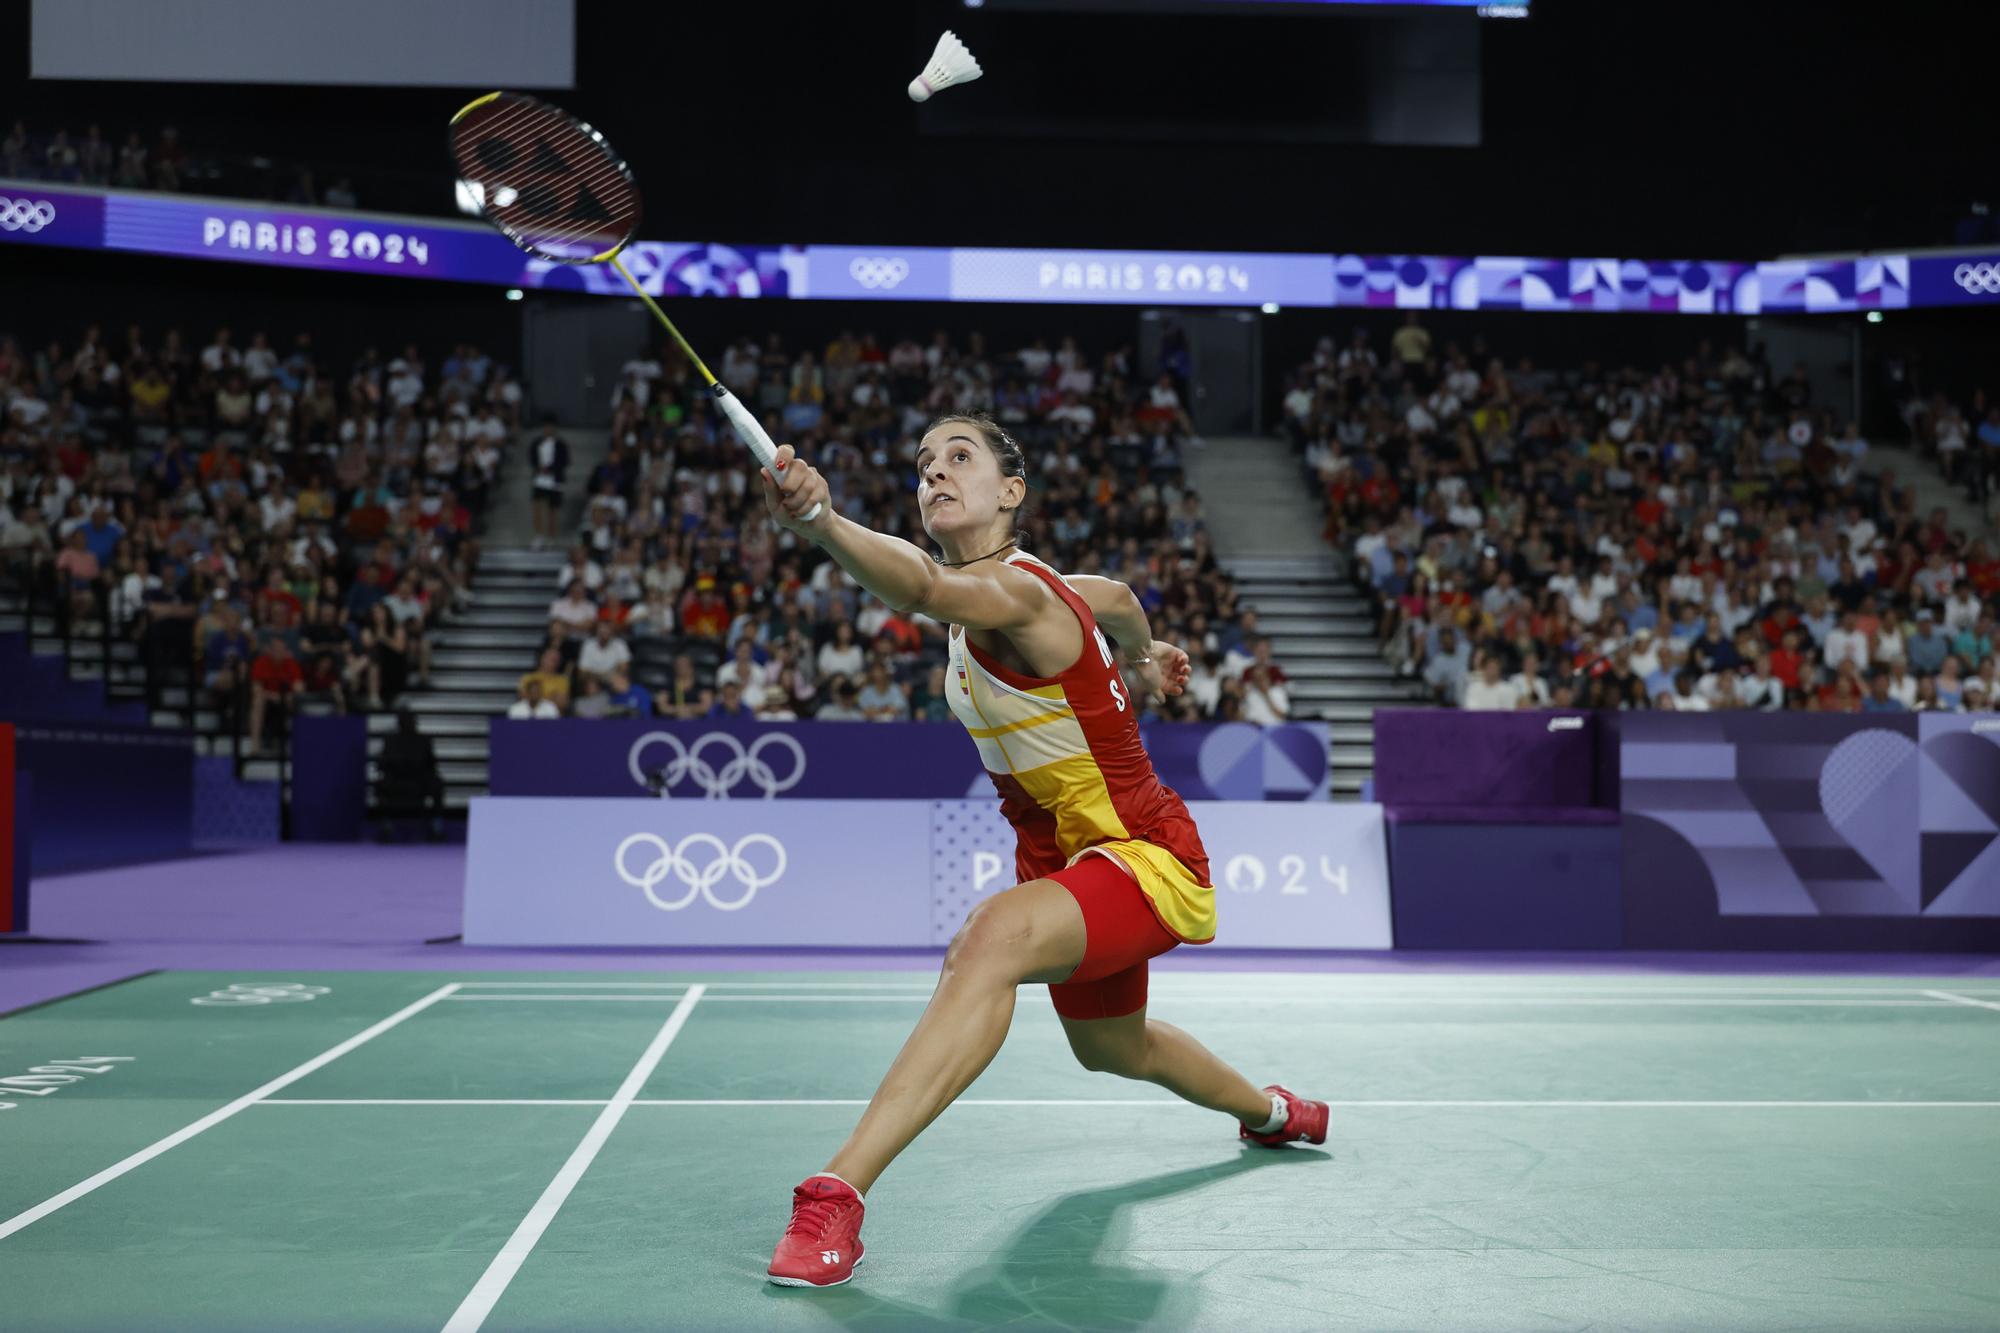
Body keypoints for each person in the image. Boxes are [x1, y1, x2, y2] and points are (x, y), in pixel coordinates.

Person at [757, 413, 1327, 1289]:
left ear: (1010, 492)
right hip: (1066, 866)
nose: (935, 474)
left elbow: (921, 589)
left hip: (1142, 853)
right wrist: (1145, 657)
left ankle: (835, 1193)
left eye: (960, 458)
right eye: (923, 465)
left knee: (986, 943)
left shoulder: (1012, 593)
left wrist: (823, 523)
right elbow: (1120, 599)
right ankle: (1273, 1111)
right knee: (1114, 1049)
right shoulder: (1054, 588)